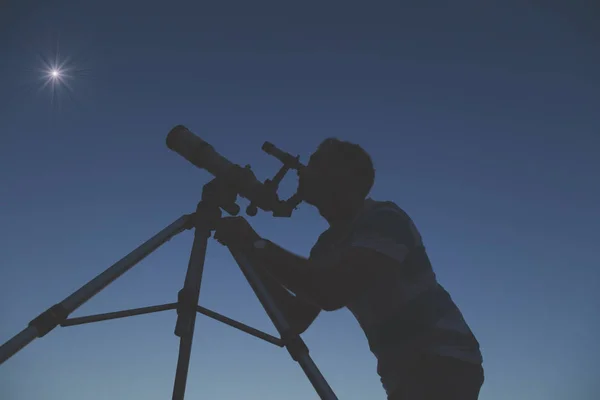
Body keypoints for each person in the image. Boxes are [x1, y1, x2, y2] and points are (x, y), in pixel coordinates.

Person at [213, 138, 484, 400]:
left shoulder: (384, 219)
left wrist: (257, 244)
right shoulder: (327, 245)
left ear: (344, 178)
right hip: (404, 374)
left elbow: (331, 291)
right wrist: (250, 250)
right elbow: (295, 317)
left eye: (317, 163)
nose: (304, 170)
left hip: (443, 360)